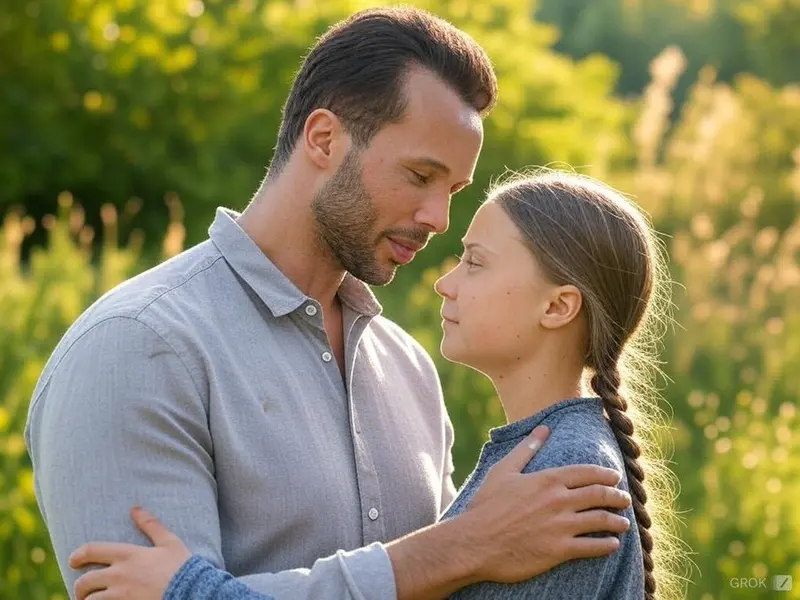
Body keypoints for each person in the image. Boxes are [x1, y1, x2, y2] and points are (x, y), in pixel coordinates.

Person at [25, 7, 634, 600]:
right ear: (323, 139)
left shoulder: (409, 370)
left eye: (451, 190)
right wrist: (456, 548)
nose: (439, 219)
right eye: (421, 176)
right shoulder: (137, 347)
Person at [68, 171, 684, 600]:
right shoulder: (542, 456)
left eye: (475, 261)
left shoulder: (563, 475)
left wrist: (189, 591)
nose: (445, 282)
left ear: (558, 307)